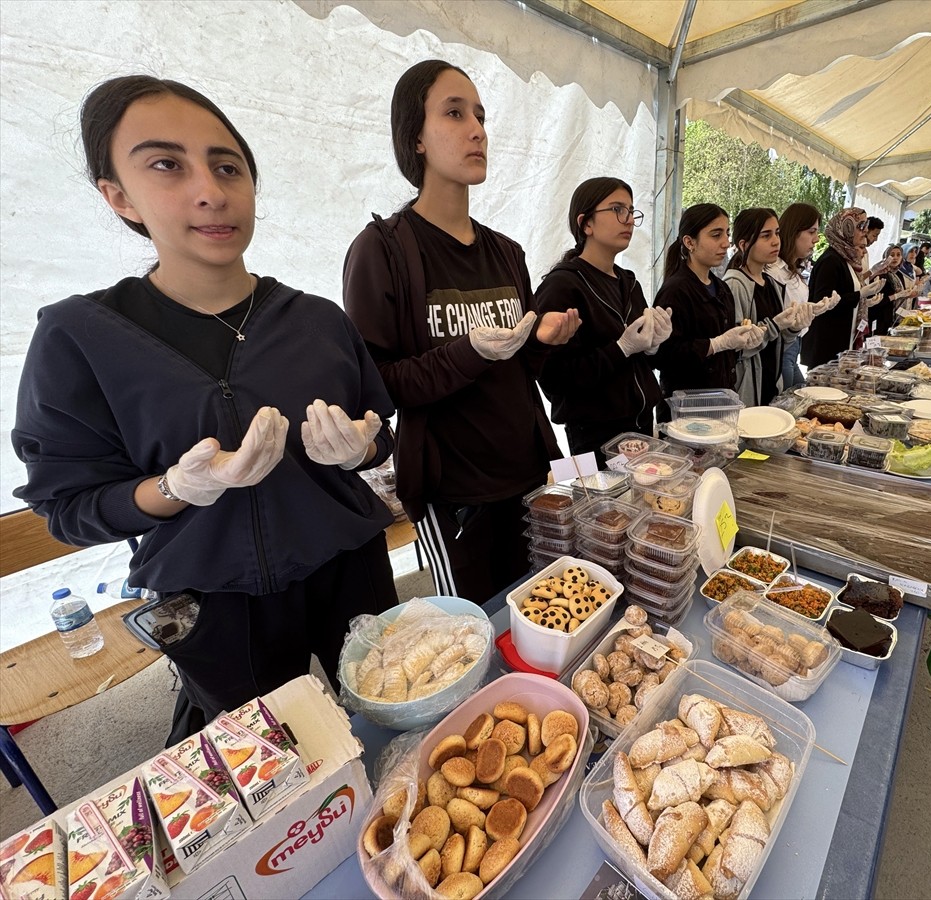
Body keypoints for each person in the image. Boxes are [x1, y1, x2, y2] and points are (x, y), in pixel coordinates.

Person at [12, 76, 400, 743]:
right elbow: (68, 506)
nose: (210, 191)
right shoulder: (80, 338)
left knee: (390, 720)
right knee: (270, 767)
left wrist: (362, 448)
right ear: (118, 196)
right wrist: (175, 488)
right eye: (166, 165)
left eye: (227, 167)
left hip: (349, 569)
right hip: (215, 603)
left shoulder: (316, 320)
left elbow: (379, 432)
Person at [342, 59, 580, 604]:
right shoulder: (383, 250)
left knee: (539, 609)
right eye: (453, 113)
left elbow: (522, 374)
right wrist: (468, 352)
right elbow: (376, 387)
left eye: (479, 115)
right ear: (415, 138)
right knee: (477, 632)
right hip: (455, 495)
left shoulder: (506, 252)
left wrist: (542, 343)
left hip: (526, 475)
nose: (476, 130)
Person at [533, 177, 667, 458]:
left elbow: (640, 362)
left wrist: (653, 346)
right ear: (586, 223)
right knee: (607, 502)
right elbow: (553, 377)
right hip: (594, 435)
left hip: (641, 424)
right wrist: (621, 349)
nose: (628, 220)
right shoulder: (563, 286)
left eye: (631, 211)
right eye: (618, 209)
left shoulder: (628, 283)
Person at [653, 203, 762, 411]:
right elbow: (664, 354)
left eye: (727, 234)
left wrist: (741, 339)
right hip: (687, 407)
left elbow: (724, 339)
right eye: (716, 235)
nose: (725, 243)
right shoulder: (675, 291)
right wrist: (716, 344)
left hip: (720, 399)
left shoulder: (720, 288)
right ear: (689, 242)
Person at [724, 208, 810, 406]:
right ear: (744, 245)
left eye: (777, 233)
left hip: (771, 387)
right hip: (746, 392)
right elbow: (736, 349)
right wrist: (773, 325)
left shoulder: (771, 284)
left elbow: (780, 343)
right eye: (766, 235)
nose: (775, 241)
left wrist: (794, 328)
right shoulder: (734, 284)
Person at [765, 203, 838, 389]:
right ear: (794, 231)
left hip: (794, 345)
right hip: (781, 348)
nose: (816, 239)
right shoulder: (773, 271)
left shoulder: (791, 269)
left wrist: (815, 309)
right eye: (811, 232)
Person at [802, 208, 885, 367]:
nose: (865, 232)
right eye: (860, 227)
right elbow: (823, 302)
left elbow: (845, 295)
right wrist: (860, 294)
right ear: (846, 228)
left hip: (842, 337)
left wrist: (864, 301)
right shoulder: (831, 260)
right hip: (827, 342)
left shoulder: (845, 258)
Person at [869, 244, 918, 335]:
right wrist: (896, 296)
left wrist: (907, 295)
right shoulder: (880, 274)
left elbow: (901, 295)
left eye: (898, 255)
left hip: (893, 319)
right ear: (886, 257)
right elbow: (875, 302)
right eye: (891, 255)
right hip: (880, 318)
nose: (895, 258)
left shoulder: (898, 275)